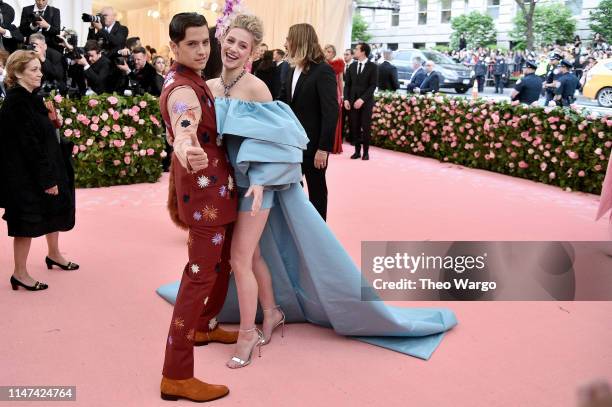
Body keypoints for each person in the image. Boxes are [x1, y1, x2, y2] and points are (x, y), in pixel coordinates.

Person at [158, 13, 457, 367]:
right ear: (219, 41)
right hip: (228, 186)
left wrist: (260, 181)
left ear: (254, 51)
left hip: (258, 185)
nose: (233, 49)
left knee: (240, 258)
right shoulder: (208, 85)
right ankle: (270, 313)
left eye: (244, 44)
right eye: (230, 41)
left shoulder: (257, 88)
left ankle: (247, 336)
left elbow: (281, 143)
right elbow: (189, 122)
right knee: (251, 257)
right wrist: (180, 140)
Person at [158, 12, 237, 403]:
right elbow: (183, 122)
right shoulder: (181, 88)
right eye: (192, 44)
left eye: (206, 42)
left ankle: (205, 324)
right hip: (205, 199)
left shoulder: (196, 79)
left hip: (219, 194)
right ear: (174, 47)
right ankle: (176, 374)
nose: (202, 50)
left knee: (221, 265)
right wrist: (186, 147)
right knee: (197, 280)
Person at [0, 50, 78, 292]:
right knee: (26, 222)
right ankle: (19, 273)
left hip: (43, 167)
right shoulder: (16, 102)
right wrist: (47, 179)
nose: (39, 73)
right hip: (25, 175)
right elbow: (29, 145)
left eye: (39, 68)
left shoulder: (32, 97)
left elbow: (41, 136)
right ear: (17, 72)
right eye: (33, 69)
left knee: (52, 210)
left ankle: (54, 254)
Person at [278, 24, 338, 220]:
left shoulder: (323, 71)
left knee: (317, 191)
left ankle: (320, 235)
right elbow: (282, 103)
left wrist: (323, 148)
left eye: (288, 39)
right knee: (290, 187)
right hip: (291, 143)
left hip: (314, 146)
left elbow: (331, 112)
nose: (285, 43)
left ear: (299, 40)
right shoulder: (290, 68)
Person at [344, 42, 377, 161]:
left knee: (366, 127)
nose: (354, 51)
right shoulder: (351, 66)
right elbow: (347, 85)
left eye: (356, 49)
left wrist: (362, 99)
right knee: (355, 127)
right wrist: (346, 99)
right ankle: (357, 151)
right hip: (352, 101)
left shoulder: (373, 67)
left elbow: (373, 86)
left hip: (366, 102)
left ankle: (366, 152)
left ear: (363, 51)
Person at [324, 43, 344, 154]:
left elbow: (340, 81)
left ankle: (334, 145)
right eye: (325, 51)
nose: (327, 53)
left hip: (334, 93)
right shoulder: (320, 64)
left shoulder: (338, 64)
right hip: (323, 92)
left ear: (334, 54)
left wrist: (341, 95)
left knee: (333, 117)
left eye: (329, 51)